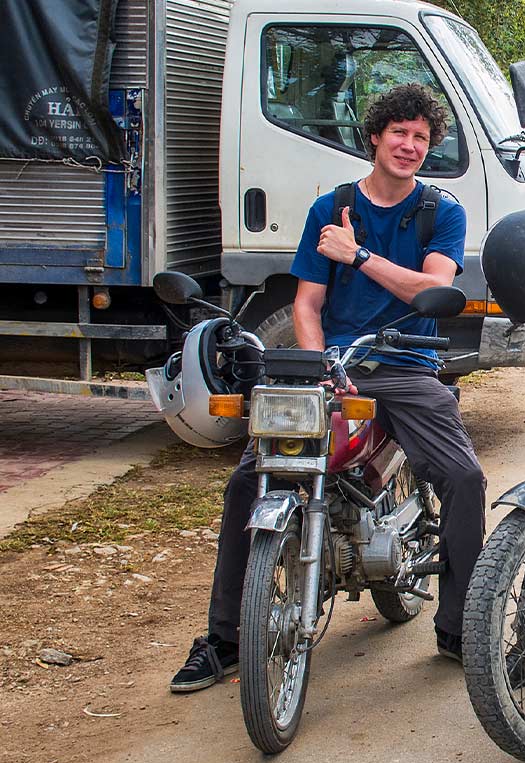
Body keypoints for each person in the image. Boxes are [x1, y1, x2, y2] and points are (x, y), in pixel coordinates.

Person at [170, 84, 485, 692]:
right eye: (400, 133)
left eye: (421, 137)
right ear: (375, 136)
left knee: (464, 477)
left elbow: (429, 293)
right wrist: (317, 364)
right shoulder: (331, 207)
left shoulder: (440, 212)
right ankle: (226, 639)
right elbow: (307, 303)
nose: (410, 146)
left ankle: (459, 624)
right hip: (336, 365)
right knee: (250, 478)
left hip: (407, 364)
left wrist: (359, 254)